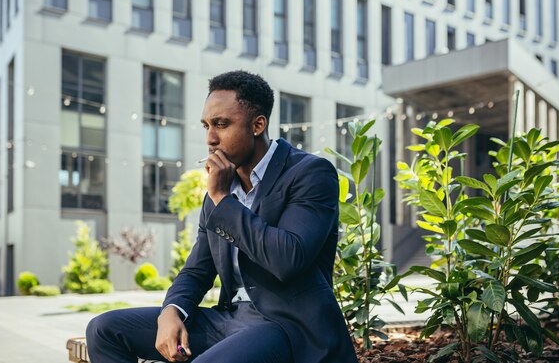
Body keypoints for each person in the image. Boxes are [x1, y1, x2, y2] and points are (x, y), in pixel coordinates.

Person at [86, 70, 358, 363]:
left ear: (257, 125)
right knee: (104, 329)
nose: (210, 139)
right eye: (206, 125)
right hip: (230, 321)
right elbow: (197, 270)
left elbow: (288, 258)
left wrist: (221, 200)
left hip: (288, 327)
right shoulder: (221, 192)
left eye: (221, 124)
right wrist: (172, 310)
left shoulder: (309, 173)